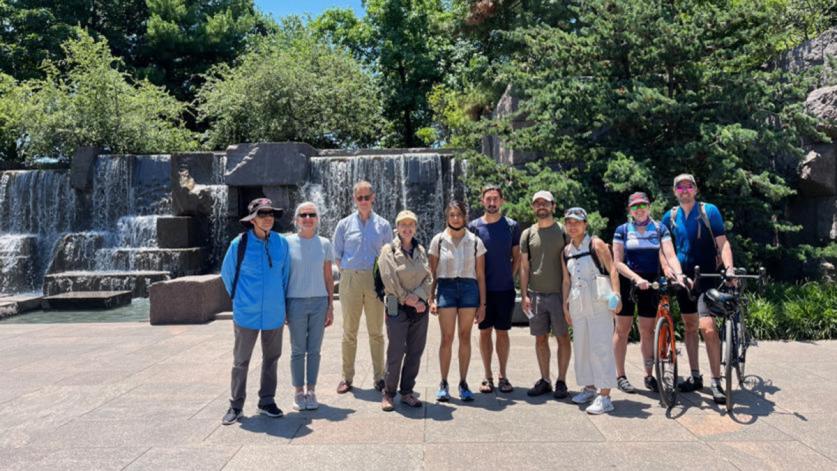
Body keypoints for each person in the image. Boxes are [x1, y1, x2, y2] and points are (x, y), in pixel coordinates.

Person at [662, 174, 735, 404]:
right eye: (679, 187)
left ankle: (716, 381)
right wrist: (667, 270)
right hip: (683, 280)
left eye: (689, 186)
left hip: (707, 277)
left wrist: (730, 268)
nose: (684, 190)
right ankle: (695, 377)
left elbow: (722, 243)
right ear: (675, 192)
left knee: (708, 328)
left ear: (696, 189)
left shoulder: (709, 211)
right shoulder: (670, 216)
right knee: (690, 326)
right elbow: (662, 248)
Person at [220, 197, 290, 425]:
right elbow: (227, 275)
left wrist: (282, 305)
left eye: (271, 213)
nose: (268, 218)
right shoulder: (238, 245)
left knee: (272, 358)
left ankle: (267, 401)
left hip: (274, 312)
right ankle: (236, 405)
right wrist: (240, 300)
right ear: (252, 219)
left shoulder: (281, 243)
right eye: (262, 214)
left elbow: (285, 277)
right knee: (241, 361)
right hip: (246, 313)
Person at [611, 192, 684, 394]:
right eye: (634, 207)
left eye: (643, 205)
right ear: (629, 210)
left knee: (647, 331)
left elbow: (670, 254)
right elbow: (617, 262)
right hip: (628, 282)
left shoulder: (660, 228)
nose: (639, 209)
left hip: (651, 282)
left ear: (649, 207)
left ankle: (649, 375)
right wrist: (636, 278)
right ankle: (620, 375)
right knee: (622, 330)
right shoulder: (622, 230)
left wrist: (679, 274)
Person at [333, 181, 393, 394]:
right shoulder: (344, 225)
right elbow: (337, 256)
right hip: (350, 279)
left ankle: (379, 377)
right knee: (349, 331)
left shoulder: (384, 226)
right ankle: (347, 377)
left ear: (373, 197)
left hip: (375, 281)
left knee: (376, 332)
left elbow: (389, 256)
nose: (364, 201)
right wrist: (348, 273)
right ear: (354, 200)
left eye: (367, 197)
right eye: (360, 198)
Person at [561, 207, 621, 415]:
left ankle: (604, 395)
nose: (572, 225)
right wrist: (565, 305)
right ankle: (588, 387)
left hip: (598, 300)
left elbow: (612, 268)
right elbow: (566, 280)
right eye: (569, 222)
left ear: (585, 224)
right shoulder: (566, 251)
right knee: (582, 347)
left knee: (600, 345)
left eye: (577, 222)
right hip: (577, 302)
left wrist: (617, 296)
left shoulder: (596, 244)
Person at [429, 200, 487, 402]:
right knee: (446, 337)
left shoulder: (475, 241)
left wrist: (483, 304)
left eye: (459, 215)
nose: (455, 218)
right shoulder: (438, 240)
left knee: (465, 336)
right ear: (447, 217)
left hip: (469, 289)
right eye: (452, 215)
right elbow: (432, 273)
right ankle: (443, 382)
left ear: (465, 217)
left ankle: (463, 382)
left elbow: (480, 275)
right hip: (445, 288)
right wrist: (431, 298)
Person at [468, 184, 521, 394]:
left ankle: (503, 375)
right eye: (488, 199)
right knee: (484, 332)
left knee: (502, 333)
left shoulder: (511, 226)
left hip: (504, 289)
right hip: (482, 291)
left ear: (502, 201)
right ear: (482, 201)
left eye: (495, 199)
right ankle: (487, 376)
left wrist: (510, 275)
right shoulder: (473, 227)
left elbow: (517, 256)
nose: (491, 203)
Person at [378, 210, 433, 411]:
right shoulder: (388, 250)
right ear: (397, 228)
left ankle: (407, 391)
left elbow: (429, 277)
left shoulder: (421, 249)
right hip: (396, 304)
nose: (407, 228)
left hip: (419, 306)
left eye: (411, 225)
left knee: (415, 351)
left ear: (415, 228)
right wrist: (408, 299)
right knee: (395, 350)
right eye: (403, 225)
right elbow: (388, 279)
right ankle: (389, 393)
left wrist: (419, 298)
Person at [520, 190, 572, 399]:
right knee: (540, 339)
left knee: (563, 338)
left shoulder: (563, 231)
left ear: (553, 206)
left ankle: (561, 380)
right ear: (533, 207)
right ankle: (545, 379)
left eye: (545, 203)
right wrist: (524, 295)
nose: (541, 206)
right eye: (537, 203)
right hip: (536, 295)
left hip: (560, 294)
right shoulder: (528, 233)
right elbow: (524, 266)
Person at [286, 202, 335, 411]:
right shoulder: (286, 243)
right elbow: (283, 276)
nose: (307, 218)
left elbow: (328, 276)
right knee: (297, 349)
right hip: (294, 301)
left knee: (314, 350)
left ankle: (312, 390)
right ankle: (298, 391)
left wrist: (331, 305)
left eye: (312, 214)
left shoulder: (324, 244)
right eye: (303, 215)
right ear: (296, 219)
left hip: (319, 302)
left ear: (317, 219)